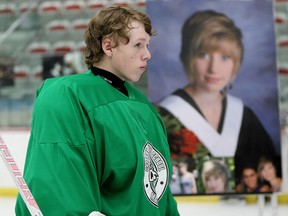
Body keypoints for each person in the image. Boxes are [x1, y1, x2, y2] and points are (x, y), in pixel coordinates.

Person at [15, 6, 179, 216]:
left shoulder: (144, 107)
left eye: (147, 45)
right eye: (138, 45)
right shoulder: (67, 95)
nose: (147, 54)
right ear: (108, 46)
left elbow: (159, 191)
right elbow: (57, 179)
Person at [156, 9, 280, 191]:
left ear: (236, 63)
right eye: (203, 55)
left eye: (225, 57)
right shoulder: (165, 116)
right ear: (187, 57)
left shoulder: (244, 117)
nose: (214, 68)